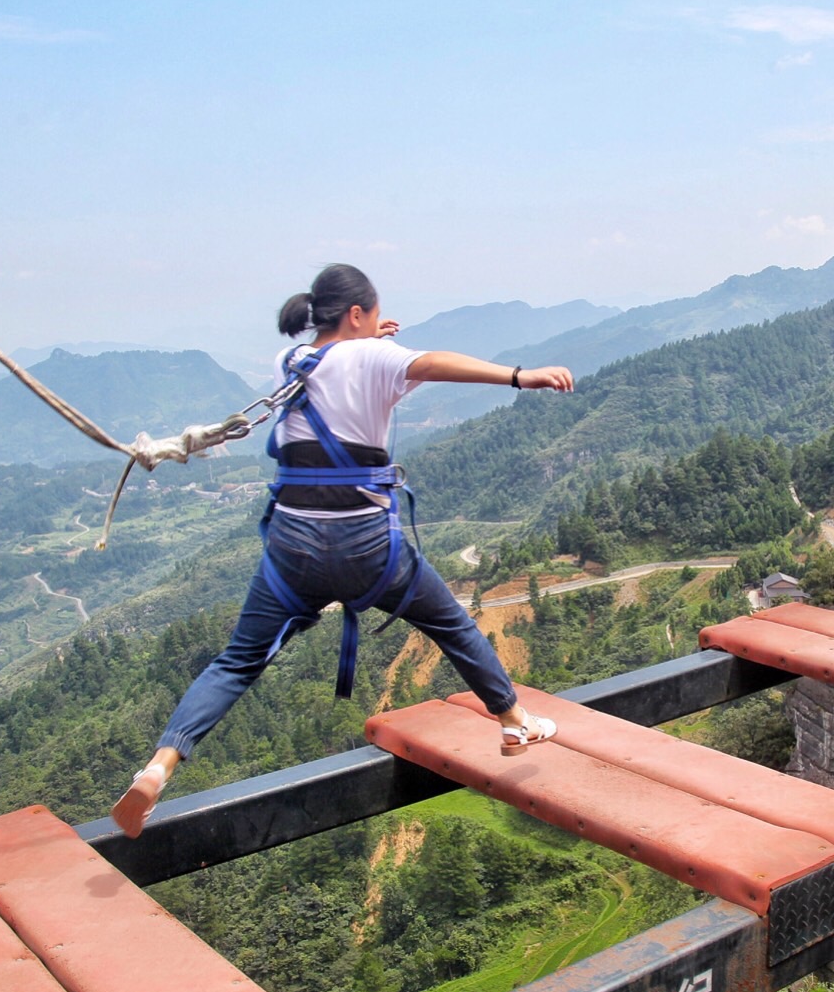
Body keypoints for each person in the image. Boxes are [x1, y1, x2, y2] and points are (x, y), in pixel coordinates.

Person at [112, 264, 574, 837]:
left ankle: (159, 766)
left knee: (237, 661)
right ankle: (512, 722)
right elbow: (425, 363)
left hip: (291, 550)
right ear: (357, 315)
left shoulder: (295, 363)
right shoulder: (375, 358)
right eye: (375, 318)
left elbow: (346, 364)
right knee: (452, 625)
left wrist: (371, 343)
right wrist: (519, 376)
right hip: (366, 551)